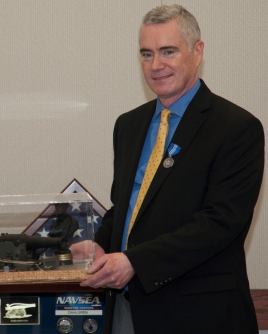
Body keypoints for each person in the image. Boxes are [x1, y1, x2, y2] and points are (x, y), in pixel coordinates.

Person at [71, 4, 264, 334]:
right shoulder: (129, 125)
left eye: (168, 52)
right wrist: (100, 245)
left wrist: (135, 262)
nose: (155, 65)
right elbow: (129, 208)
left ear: (197, 51)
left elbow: (219, 223)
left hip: (200, 317)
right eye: (146, 54)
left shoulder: (236, 128)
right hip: (126, 312)